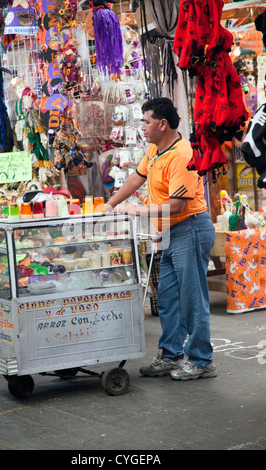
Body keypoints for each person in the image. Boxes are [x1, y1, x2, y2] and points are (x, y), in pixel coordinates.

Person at [106, 97, 216, 381]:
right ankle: (171, 355)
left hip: (189, 228)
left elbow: (178, 205)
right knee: (167, 297)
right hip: (169, 232)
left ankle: (202, 360)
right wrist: (110, 205)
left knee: (192, 300)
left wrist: (138, 210)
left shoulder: (182, 154)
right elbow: (136, 178)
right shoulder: (155, 150)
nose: (141, 126)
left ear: (162, 124)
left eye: (146, 121)